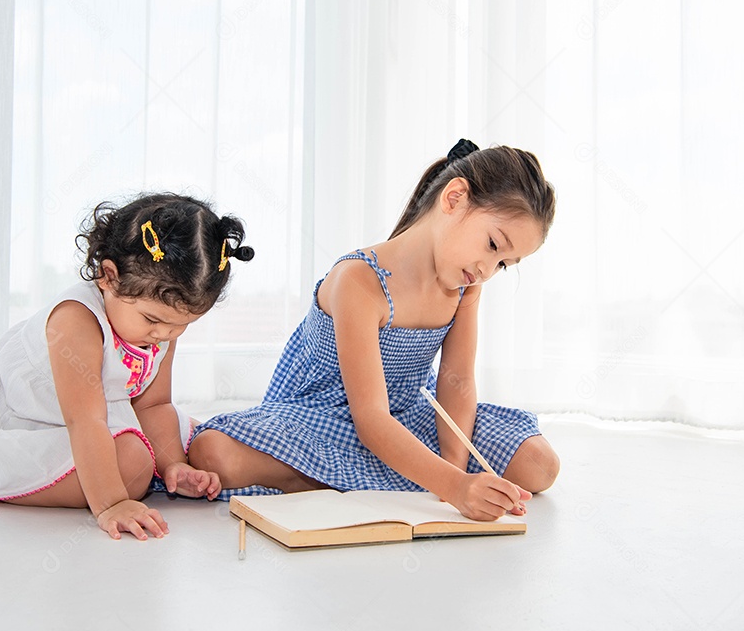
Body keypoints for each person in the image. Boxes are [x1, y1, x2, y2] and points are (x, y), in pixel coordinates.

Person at [189, 140, 560, 522]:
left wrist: (451, 469)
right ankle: (358, 475)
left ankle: (353, 479)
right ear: (454, 198)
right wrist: (454, 484)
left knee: (539, 465)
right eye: (493, 244)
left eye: (503, 264)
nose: (488, 268)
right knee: (212, 453)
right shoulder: (359, 281)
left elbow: (458, 382)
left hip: (409, 414)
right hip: (327, 417)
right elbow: (369, 419)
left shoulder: (467, 286)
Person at [0, 192, 254, 539]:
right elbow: (85, 421)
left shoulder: (160, 328)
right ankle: (23, 483)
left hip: (103, 419)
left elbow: (154, 404)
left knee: (198, 443)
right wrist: (111, 503)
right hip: (39, 430)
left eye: (180, 325)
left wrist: (174, 464)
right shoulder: (75, 323)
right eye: (152, 320)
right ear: (109, 277)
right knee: (134, 466)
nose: (164, 335)